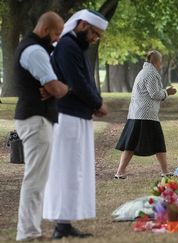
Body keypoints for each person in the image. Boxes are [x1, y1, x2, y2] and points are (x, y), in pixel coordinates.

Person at [42, 9, 108, 239]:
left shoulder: (75, 47)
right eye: (94, 33)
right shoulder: (67, 46)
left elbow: (83, 80)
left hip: (77, 116)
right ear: (82, 25)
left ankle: (65, 222)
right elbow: (76, 82)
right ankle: (60, 223)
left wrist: (93, 103)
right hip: (67, 116)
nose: (94, 38)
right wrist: (97, 103)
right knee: (65, 170)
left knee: (73, 171)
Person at [13, 11, 68, 241]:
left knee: (38, 178)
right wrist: (66, 88)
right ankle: (28, 233)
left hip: (39, 118)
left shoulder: (37, 48)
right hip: (35, 120)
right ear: (45, 30)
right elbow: (55, 87)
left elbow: (52, 84)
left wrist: (55, 86)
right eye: (56, 34)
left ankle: (31, 230)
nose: (56, 39)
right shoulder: (35, 50)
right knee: (34, 179)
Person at [114, 50, 177, 179]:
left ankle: (120, 172)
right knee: (158, 142)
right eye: (161, 61)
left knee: (131, 143)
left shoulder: (143, 72)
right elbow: (155, 94)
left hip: (137, 113)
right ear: (157, 62)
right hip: (146, 115)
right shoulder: (151, 74)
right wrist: (167, 92)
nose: (161, 64)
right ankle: (165, 171)